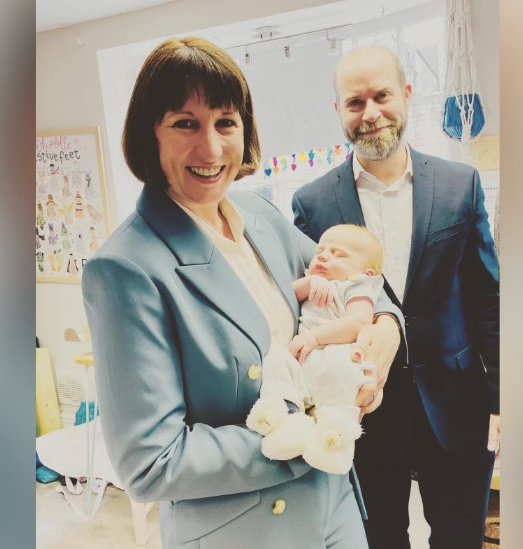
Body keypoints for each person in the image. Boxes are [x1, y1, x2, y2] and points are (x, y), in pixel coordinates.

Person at [82, 37, 404, 549]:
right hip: (246, 529)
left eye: (225, 122)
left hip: (334, 502)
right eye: (185, 123)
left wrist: (386, 327)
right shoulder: (125, 268)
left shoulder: (262, 216)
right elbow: (150, 461)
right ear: (151, 133)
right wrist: (310, 435)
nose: (210, 149)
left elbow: (358, 277)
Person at [292, 46, 500, 549]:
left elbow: (487, 297)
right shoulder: (311, 203)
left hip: (456, 406)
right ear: (338, 112)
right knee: (377, 540)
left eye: (381, 95)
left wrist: (503, 399)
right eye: (354, 102)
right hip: (361, 414)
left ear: (406, 96)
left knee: (459, 540)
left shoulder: (458, 185)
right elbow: (304, 305)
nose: (370, 113)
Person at [247, 224, 386, 475]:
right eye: (321, 250)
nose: (323, 255)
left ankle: (333, 440)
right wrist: (308, 282)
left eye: (338, 254)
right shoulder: (313, 281)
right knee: (277, 361)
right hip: (303, 358)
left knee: (340, 368)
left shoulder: (356, 286)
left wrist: (315, 337)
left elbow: (359, 322)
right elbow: (280, 299)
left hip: (335, 355)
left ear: (365, 272)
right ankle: (283, 418)